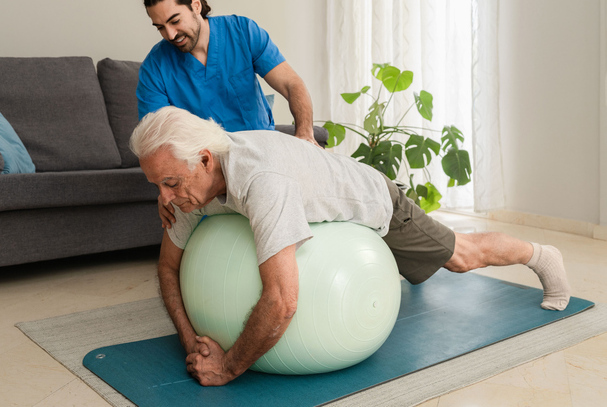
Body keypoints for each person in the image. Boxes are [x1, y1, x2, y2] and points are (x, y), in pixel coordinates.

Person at [129, 106, 571, 387]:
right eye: (158, 186)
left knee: (461, 256)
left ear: (205, 160)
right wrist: (192, 343)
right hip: (312, 191)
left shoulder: (262, 184)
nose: (165, 199)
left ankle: (543, 257)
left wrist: (226, 369)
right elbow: (169, 268)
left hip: (371, 199)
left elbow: (283, 302)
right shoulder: (186, 186)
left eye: (170, 184)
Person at [138, 0, 318, 228]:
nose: (170, 34)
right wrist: (166, 188)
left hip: (261, 158)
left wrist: (305, 134)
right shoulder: (154, 69)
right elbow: (155, 142)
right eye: (160, 27)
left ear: (195, 5)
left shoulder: (243, 32)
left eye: (174, 21)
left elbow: (292, 84)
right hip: (208, 174)